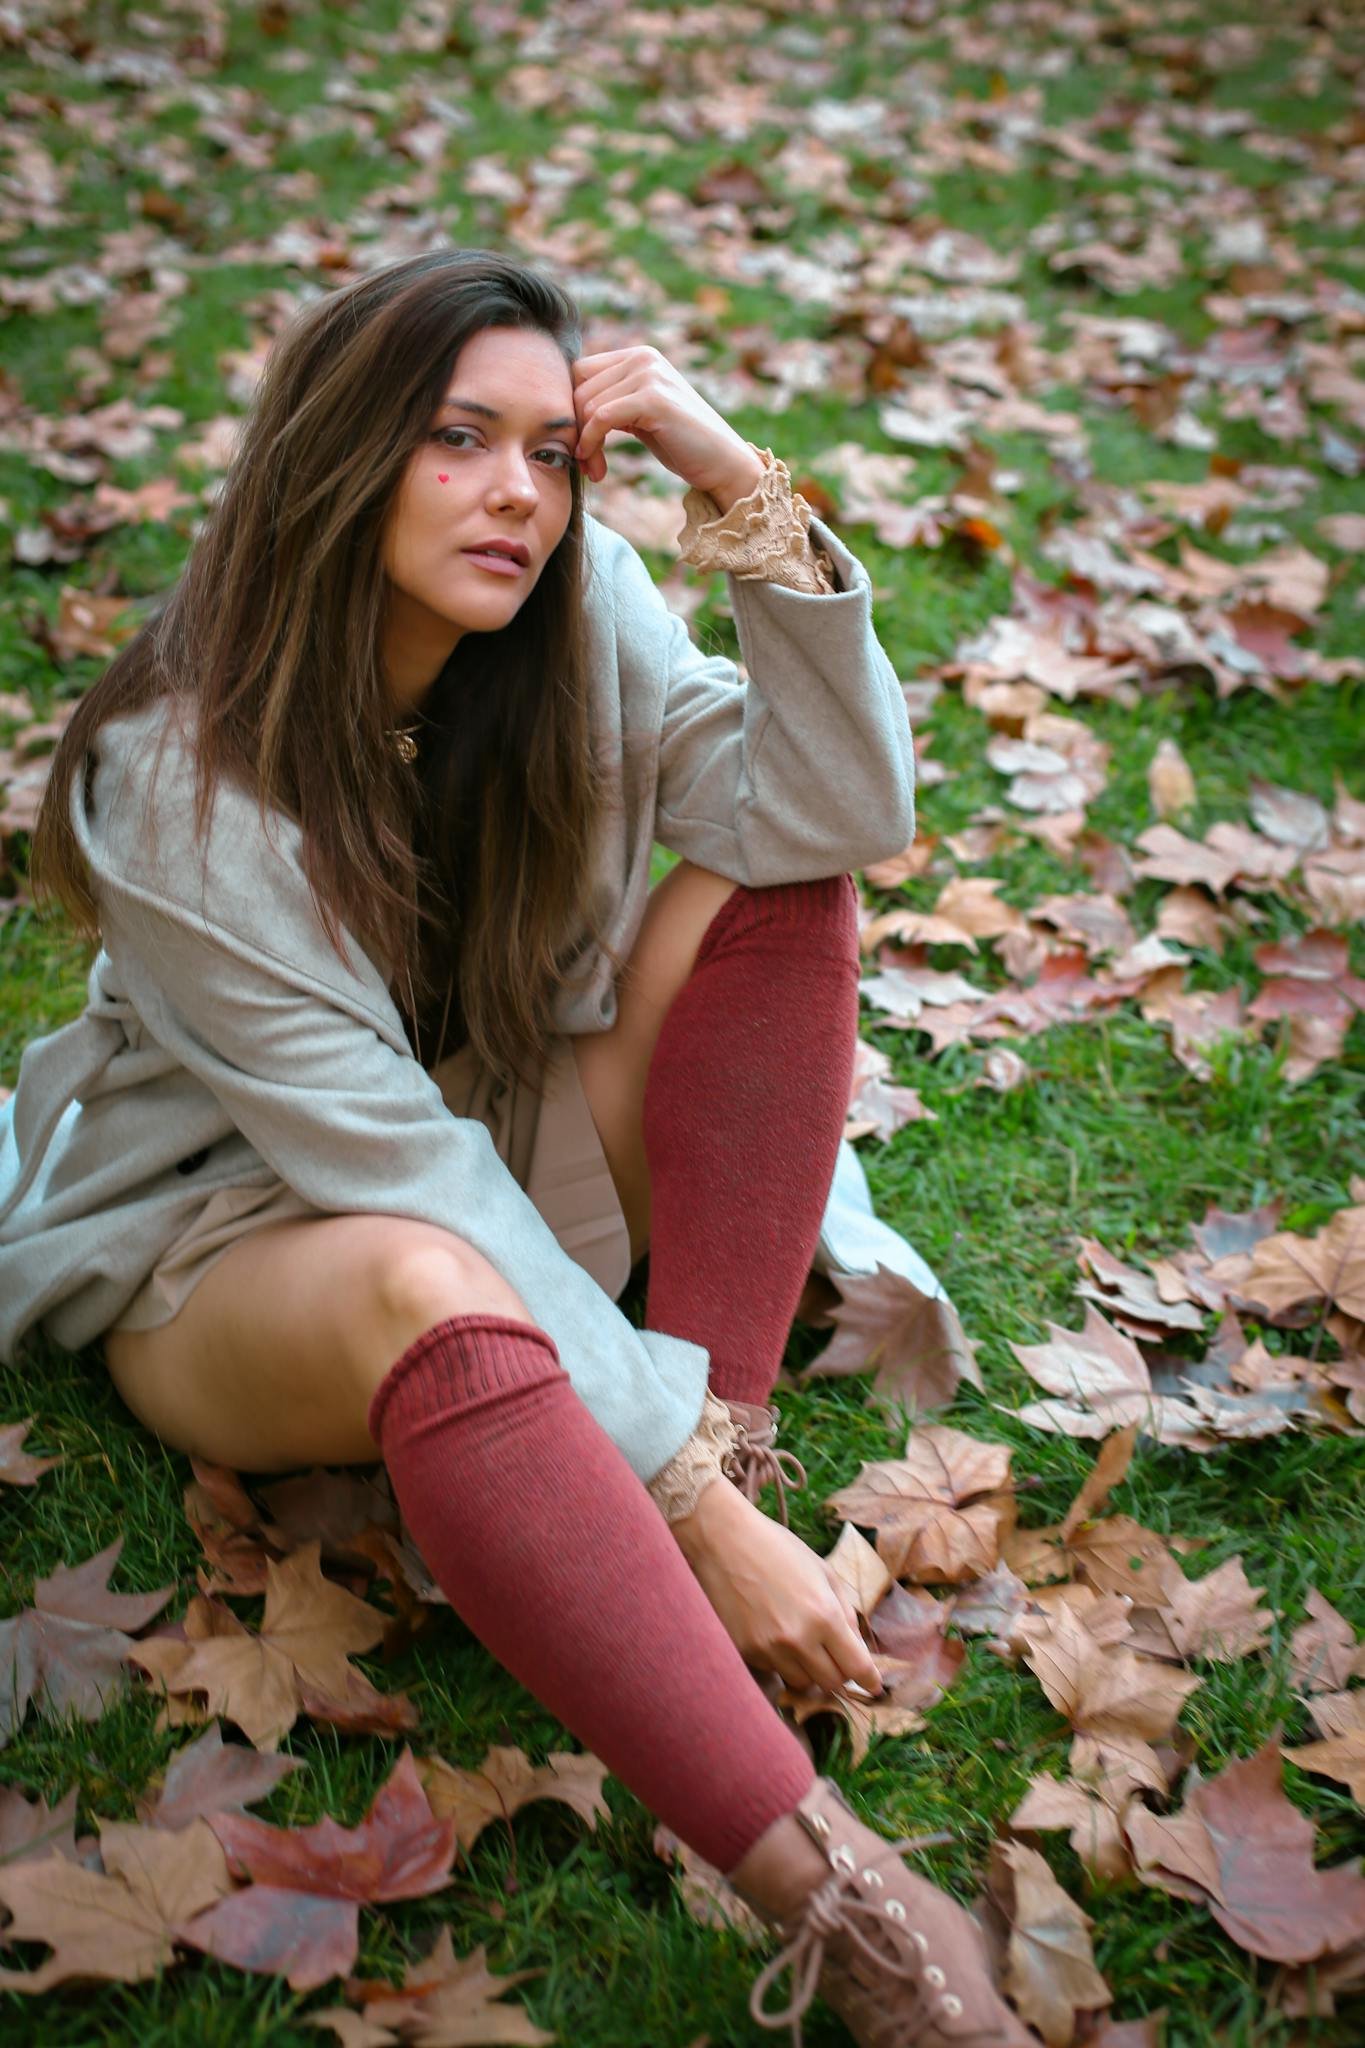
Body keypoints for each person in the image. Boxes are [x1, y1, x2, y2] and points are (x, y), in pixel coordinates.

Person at [0, 248, 1031, 2046]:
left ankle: (723, 1435)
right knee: (432, 1275)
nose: (514, 496)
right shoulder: (179, 763)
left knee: (768, 885)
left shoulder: (574, 600)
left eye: (552, 451)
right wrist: (685, 1519)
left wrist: (737, 482)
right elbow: (393, 1164)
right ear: (339, 453)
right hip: (245, 1244)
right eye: (455, 438)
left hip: (502, 1130)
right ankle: (841, 1897)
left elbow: (834, 810)